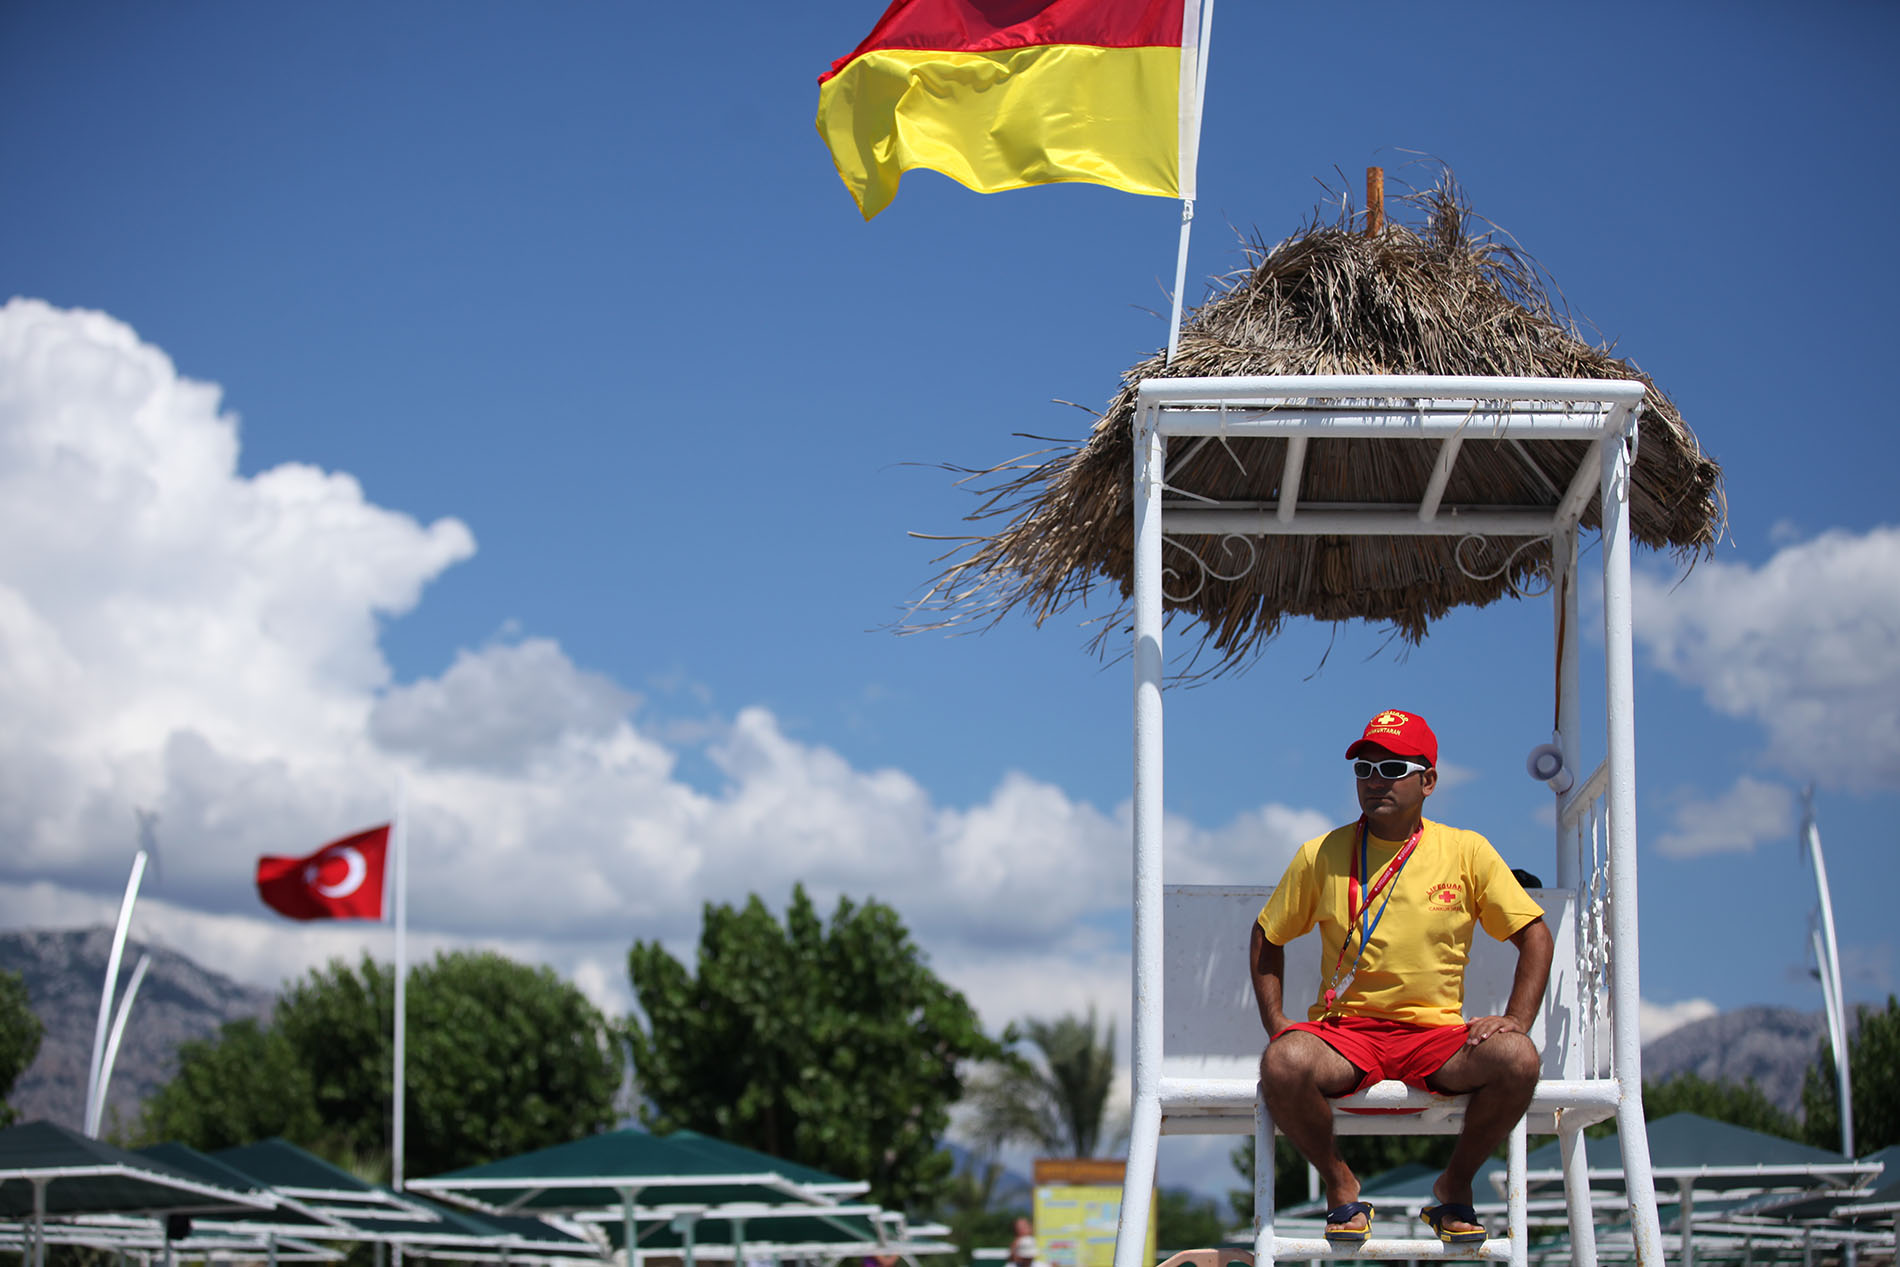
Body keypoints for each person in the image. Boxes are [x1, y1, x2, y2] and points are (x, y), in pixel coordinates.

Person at [1249, 709, 1553, 1246]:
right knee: (1282, 1061)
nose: (1375, 781)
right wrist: (1277, 1023)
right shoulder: (1320, 853)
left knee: (1518, 1058)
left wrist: (1516, 1019)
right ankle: (1340, 1184)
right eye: (1364, 769)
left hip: (1437, 1037)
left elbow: (1535, 935)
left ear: (1428, 781)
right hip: (1346, 1035)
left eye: (1392, 768)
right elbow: (1267, 934)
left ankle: (1454, 1184)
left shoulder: (1467, 850)